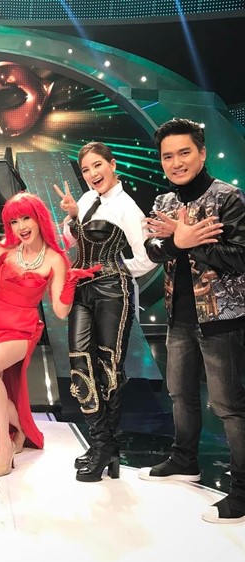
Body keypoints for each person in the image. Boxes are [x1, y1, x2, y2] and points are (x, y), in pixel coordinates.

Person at [0, 193, 99, 477]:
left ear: (39, 218)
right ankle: (20, 430)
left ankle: (4, 446)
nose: (20, 226)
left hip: (23, 328)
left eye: (25, 218)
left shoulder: (55, 259)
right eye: (13, 221)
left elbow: (61, 311)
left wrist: (70, 284)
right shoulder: (4, 249)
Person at [139, 118, 245, 524]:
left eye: (184, 152)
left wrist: (189, 243)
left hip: (222, 316)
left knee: (229, 406)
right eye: (168, 156)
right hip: (178, 315)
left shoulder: (228, 198)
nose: (176, 162)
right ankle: (185, 460)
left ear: (202, 153)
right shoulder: (164, 201)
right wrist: (175, 241)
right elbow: (152, 249)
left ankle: (243, 490)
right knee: (180, 393)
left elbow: (240, 258)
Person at [55, 141, 157, 482]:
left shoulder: (128, 207)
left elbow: (146, 258)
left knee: (108, 367)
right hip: (82, 290)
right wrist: (73, 216)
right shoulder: (86, 200)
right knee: (80, 365)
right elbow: (74, 243)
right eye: (86, 169)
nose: (92, 174)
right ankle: (103, 444)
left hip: (113, 291)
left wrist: (114, 271)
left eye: (97, 165)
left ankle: (103, 449)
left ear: (112, 164)